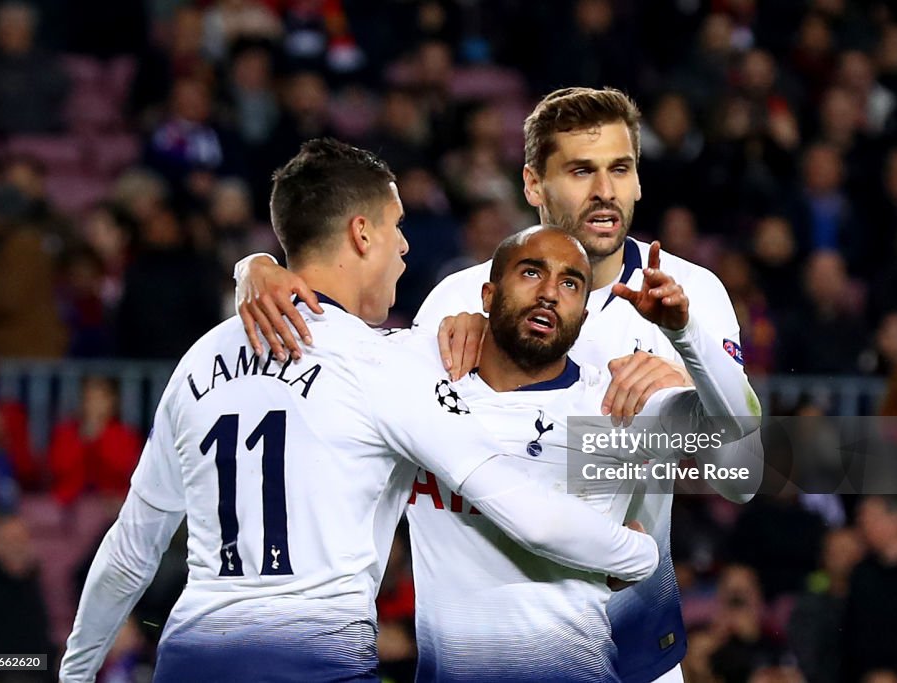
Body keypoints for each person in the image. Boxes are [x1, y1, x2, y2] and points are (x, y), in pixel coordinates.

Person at [58, 139, 661, 683]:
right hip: (314, 663)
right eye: (397, 226)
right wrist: (640, 554)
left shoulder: (199, 359)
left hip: (188, 659)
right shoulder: (387, 367)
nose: (405, 246)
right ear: (362, 233)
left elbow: (129, 553)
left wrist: (76, 673)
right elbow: (533, 518)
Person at [236, 87, 761, 682]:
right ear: (534, 185)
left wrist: (690, 374)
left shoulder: (689, 295)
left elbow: (741, 472)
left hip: (636, 648)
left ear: (640, 181)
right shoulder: (457, 303)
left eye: (620, 169)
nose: (605, 192)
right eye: (580, 171)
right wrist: (259, 267)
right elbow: (349, 373)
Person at [404, 225, 759, 682]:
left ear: (584, 315)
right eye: (532, 273)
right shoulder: (419, 397)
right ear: (487, 296)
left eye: (571, 283)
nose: (550, 293)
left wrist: (686, 337)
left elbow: (745, 471)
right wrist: (275, 268)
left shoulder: (613, 413)